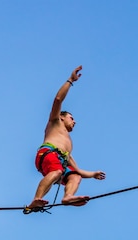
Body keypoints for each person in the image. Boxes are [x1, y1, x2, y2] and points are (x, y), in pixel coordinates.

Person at [25, 65, 105, 212]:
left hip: (59, 161)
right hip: (48, 154)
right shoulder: (55, 122)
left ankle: (68, 196)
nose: (74, 121)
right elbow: (57, 100)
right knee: (56, 172)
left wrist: (93, 174)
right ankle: (35, 200)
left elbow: (78, 170)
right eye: (71, 118)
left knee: (75, 176)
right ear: (62, 117)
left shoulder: (68, 145)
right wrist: (70, 80)